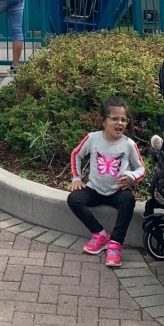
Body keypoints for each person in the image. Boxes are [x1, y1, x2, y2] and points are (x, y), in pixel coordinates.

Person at [67, 97, 145, 267]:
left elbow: (141, 169)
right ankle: (100, 234)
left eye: (124, 119)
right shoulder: (92, 139)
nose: (120, 123)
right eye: (114, 118)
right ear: (103, 121)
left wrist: (132, 178)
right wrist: (76, 178)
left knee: (129, 200)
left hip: (117, 192)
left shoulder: (129, 145)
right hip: (94, 190)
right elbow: (76, 155)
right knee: (74, 199)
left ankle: (115, 244)